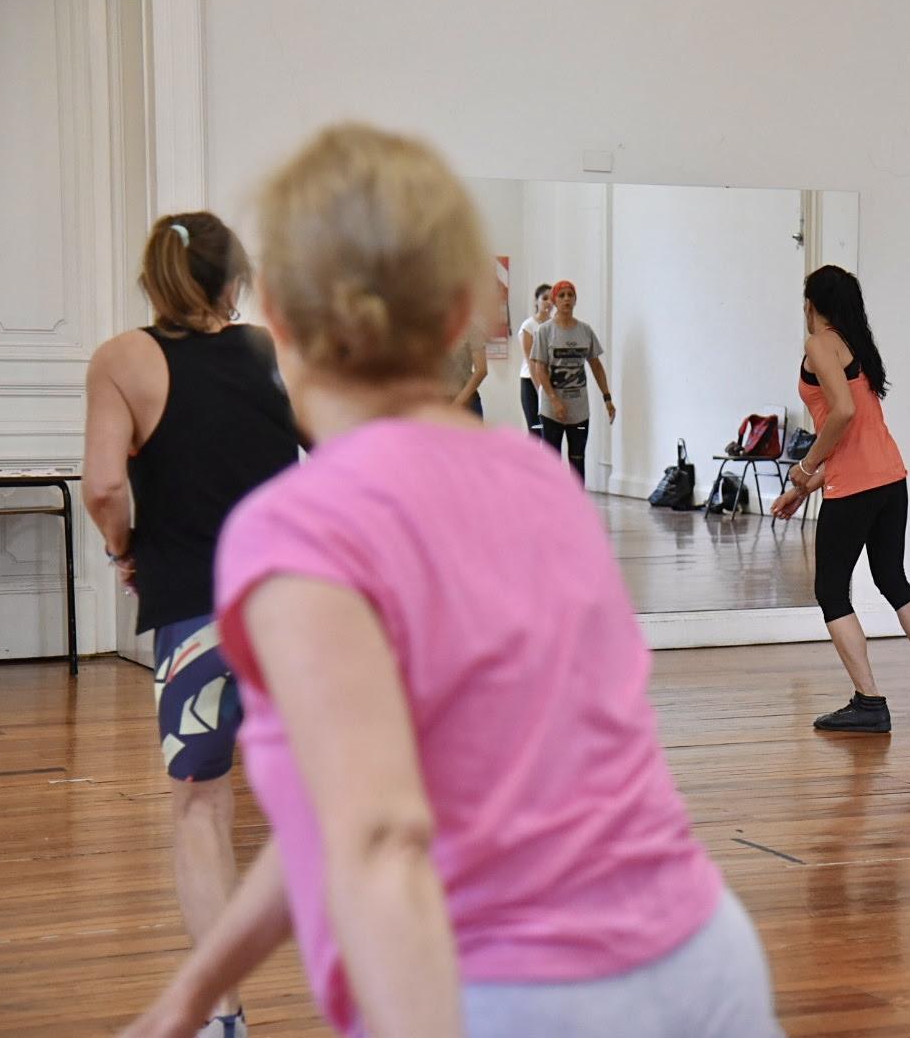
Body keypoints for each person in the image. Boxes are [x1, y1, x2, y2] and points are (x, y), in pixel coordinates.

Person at [119, 123, 782, 1038]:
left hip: (511, 994)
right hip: (702, 961)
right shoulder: (541, 482)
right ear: (462, 308)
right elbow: (339, 802)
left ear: (275, 308)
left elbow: (380, 839)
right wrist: (196, 993)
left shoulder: (295, 530)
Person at [85, 212, 302, 1038]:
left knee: (203, 807)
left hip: (199, 612)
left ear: (153, 282)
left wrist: (125, 549)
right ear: (234, 282)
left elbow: (104, 485)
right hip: (296, 607)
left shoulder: (122, 359)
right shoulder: (273, 348)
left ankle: (222, 1018)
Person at [771, 265, 910, 733]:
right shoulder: (857, 345)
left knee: (831, 591)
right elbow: (857, 433)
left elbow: (843, 414)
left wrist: (804, 468)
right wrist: (802, 490)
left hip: (854, 486)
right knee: (892, 578)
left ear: (811, 304)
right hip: (890, 479)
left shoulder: (820, 344)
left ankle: (869, 702)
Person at [529, 280, 615, 479]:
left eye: (570, 295)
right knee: (552, 460)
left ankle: (576, 506)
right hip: (552, 410)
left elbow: (595, 365)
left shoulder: (585, 331)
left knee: (577, 459)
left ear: (575, 300)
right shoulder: (545, 331)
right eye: (561, 295)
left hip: (579, 410)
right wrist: (554, 400)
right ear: (554, 301)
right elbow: (540, 367)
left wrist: (607, 397)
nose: (566, 299)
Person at [517, 283, 550, 437]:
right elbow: (531, 361)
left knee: (550, 431)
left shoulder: (554, 325)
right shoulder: (529, 326)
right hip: (531, 381)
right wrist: (541, 390)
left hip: (550, 379)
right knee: (535, 429)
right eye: (544, 298)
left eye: (552, 299)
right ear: (536, 301)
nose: (548, 302)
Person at [441, 320, 489, 418]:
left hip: (467, 403)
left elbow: (481, 370)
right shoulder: (428, 331)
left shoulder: (472, 330)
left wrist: (456, 404)